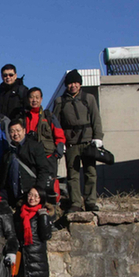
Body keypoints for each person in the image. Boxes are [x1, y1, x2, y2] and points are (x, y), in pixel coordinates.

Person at [53, 69, 104, 212]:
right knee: (72, 174)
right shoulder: (60, 102)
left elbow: (96, 119)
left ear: (80, 84)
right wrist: (60, 142)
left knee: (90, 172)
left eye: (75, 83)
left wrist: (98, 137)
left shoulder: (89, 98)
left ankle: (90, 201)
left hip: (88, 141)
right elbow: (56, 124)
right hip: (71, 143)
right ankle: (75, 202)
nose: (73, 86)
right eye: (70, 83)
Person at [14, 187, 53, 277]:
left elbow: (46, 235)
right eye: (30, 195)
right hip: (23, 258)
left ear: (41, 199)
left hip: (37, 258)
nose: (32, 198)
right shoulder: (19, 214)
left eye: (36, 196)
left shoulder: (42, 214)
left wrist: (43, 217)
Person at [23, 87, 66, 204]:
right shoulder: (23, 117)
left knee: (50, 183)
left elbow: (59, 135)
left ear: (41, 99)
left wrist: (57, 154)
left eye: (37, 97)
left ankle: (51, 209)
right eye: (31, 97)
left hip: (48, 156)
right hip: (30, 159)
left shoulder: (49, 116)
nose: (34, 100)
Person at [0, 119, 51, 207]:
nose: (15, 134)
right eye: (12, 131)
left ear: (24, 131)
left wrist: (37, 189)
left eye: (18, 130)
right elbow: (1, 173)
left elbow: (43, 169)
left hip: (29, 195)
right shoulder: (8, 151)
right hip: (11, 196)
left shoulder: (35, 147)